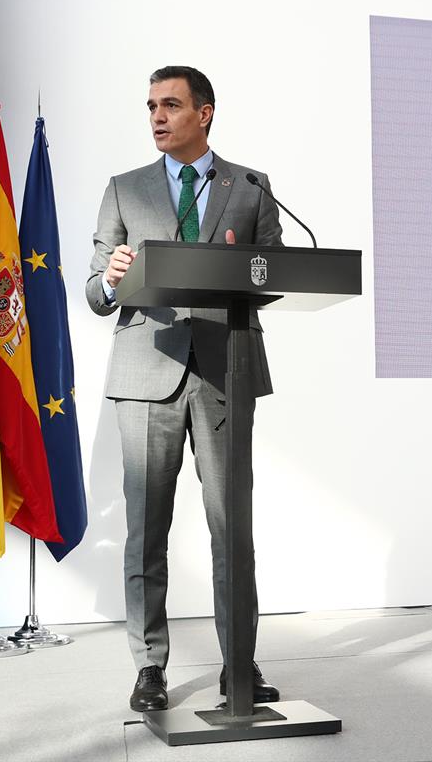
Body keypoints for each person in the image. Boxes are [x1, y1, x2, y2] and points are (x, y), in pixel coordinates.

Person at [85, 66, 283, 712]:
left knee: (234, 529)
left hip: (226, 369)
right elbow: (93, 293)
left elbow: (275, 269)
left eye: (171, 105)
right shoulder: (124, 190)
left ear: (206, 113)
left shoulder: (249, 187)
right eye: (150, 106)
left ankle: (239, 668)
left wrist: (242, 270)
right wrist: (113, 279)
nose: (157, 117)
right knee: (146, 531)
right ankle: (149, 668)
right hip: (147, 374)